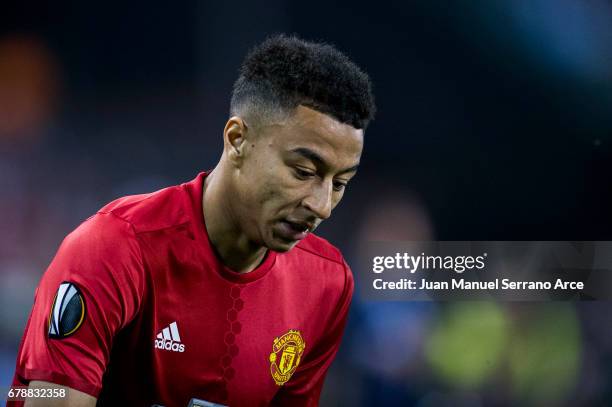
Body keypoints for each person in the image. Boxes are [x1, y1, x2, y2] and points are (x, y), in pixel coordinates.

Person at [9, 34, 375, 407]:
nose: (322, 205)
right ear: (237, 140)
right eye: (302, 172)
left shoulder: (326, 284)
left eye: (340, 183)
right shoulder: (113, 247)